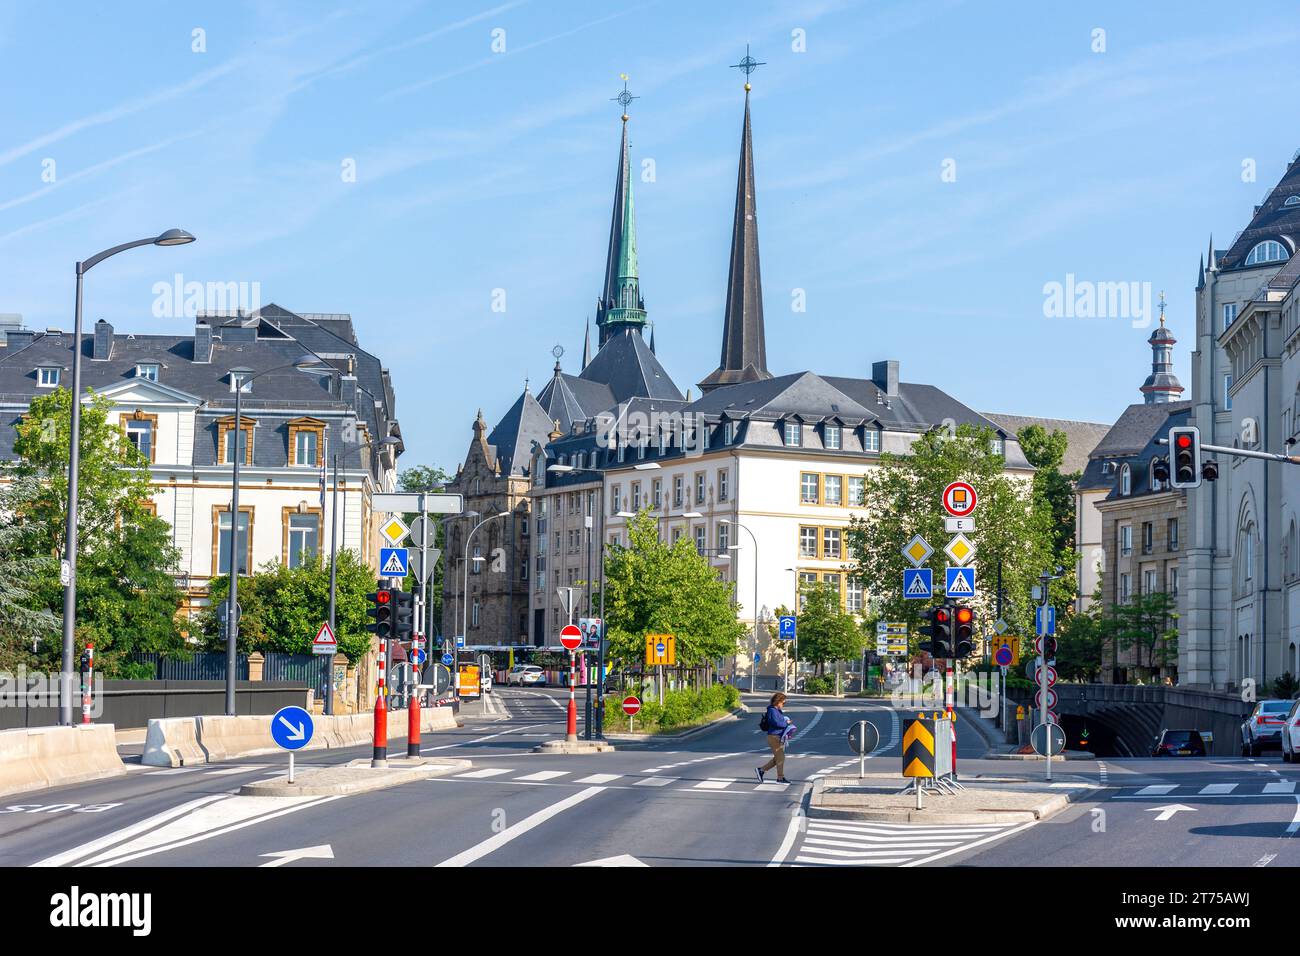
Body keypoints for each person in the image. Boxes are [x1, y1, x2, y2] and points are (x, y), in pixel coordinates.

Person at [756, 692, 792, 784]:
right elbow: (776, 723)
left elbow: (779, 721)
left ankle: (761, 770)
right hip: (774, 736)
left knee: (778, 758)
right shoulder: (772, 710)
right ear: (778, 701)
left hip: (778, 736)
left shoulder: (777, 710)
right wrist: (786, 723)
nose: (783, 705)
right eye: (783, 703)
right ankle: (780, 778)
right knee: (781, 757)